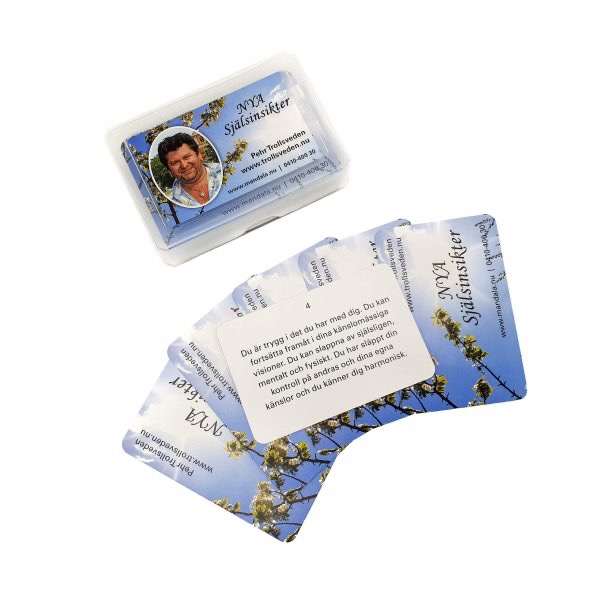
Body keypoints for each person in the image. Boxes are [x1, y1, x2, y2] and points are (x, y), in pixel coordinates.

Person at [157, 132, 222, 207]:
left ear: (199, 155)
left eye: (187, 157)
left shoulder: (225, 170)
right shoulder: (170, 204)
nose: (184, 165)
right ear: (169, 171)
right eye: (175, 163)